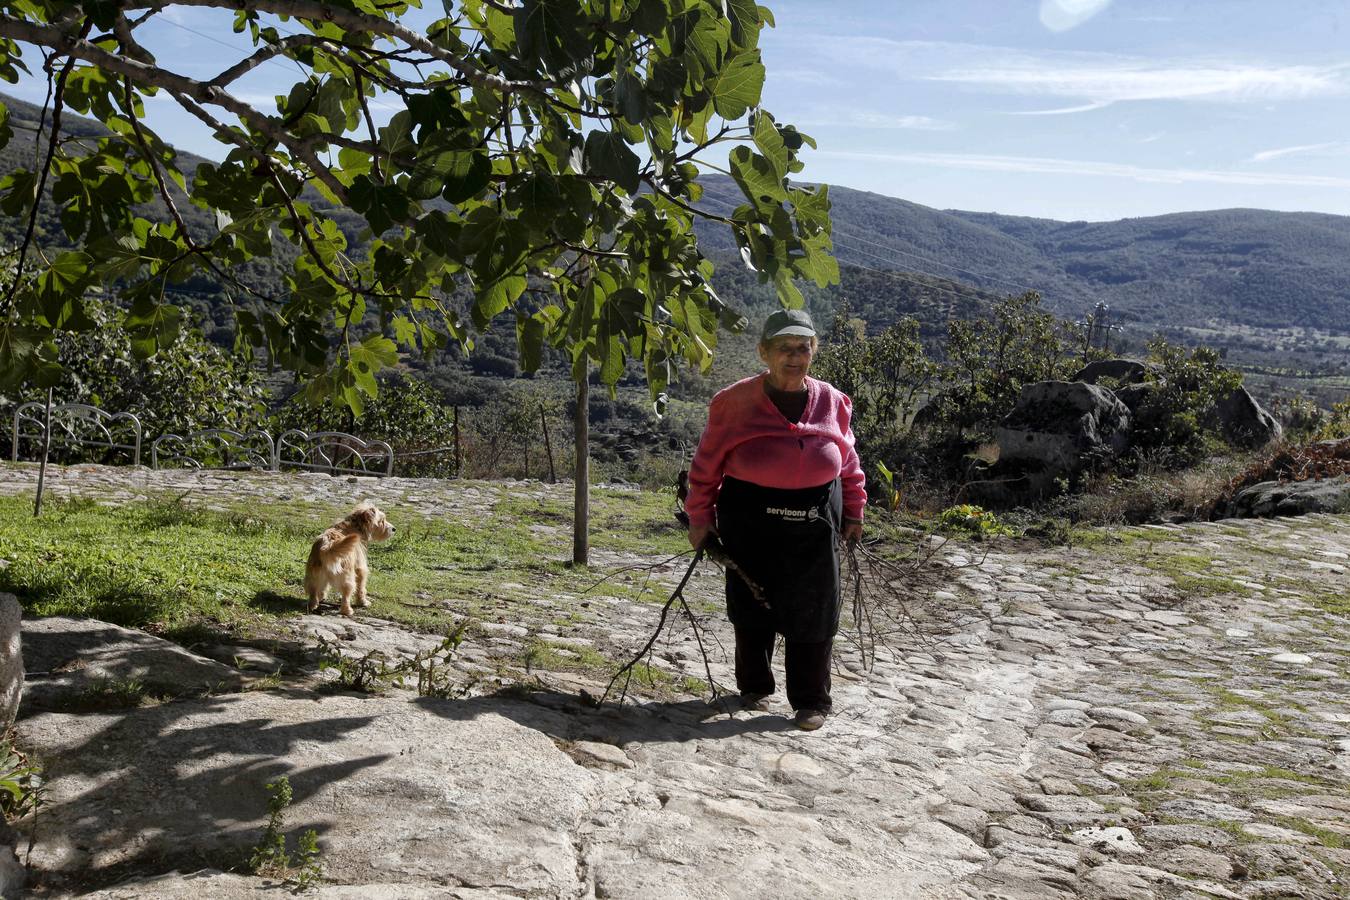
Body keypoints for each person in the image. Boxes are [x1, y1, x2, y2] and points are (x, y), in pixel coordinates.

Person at [684, 308, 865, 731]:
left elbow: (848, 460)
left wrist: (855, 508)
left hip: (816, 519)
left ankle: (811, 700)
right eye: (784, 347)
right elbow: (706, 466)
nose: (795, 356)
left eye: (803, 347)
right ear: (764, 352)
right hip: (750, 517)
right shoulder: (733, 402)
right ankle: (753, 687)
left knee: (816, 605)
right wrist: (700, 517)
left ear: (813, 352)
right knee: (751, 597)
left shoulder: (832, 401)